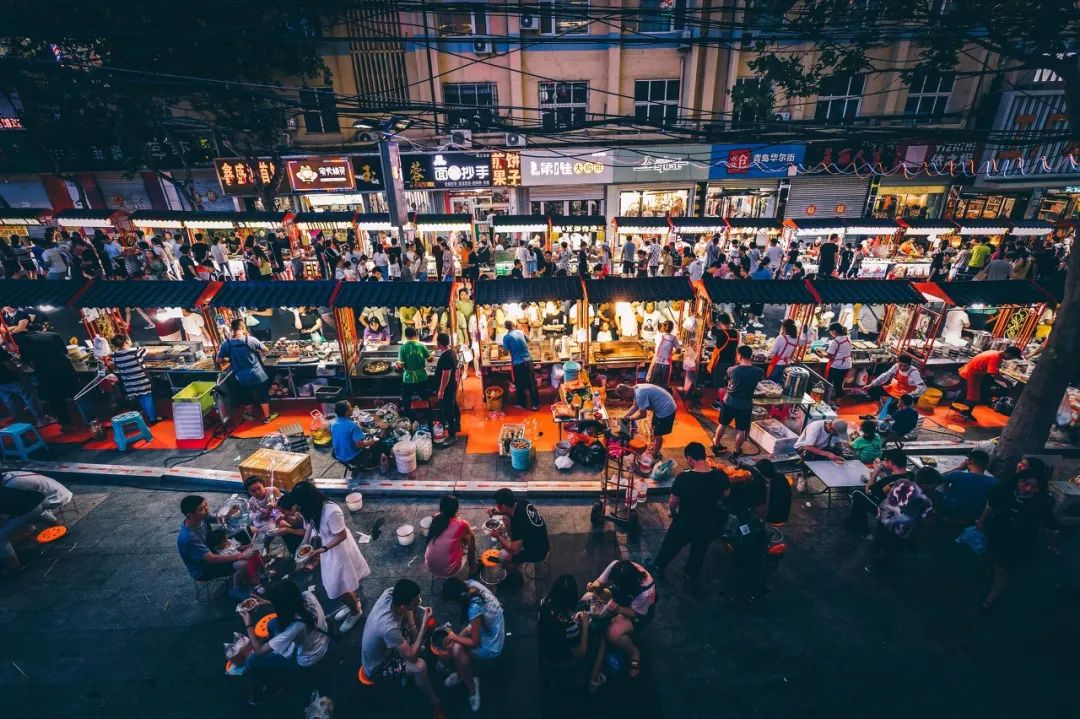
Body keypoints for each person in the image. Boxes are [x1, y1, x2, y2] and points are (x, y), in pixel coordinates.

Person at [280, 482, 369, 631]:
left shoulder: (331, 511)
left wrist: (322, 549)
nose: (296, 507)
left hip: (339, 550)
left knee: (336, 586)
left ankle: (355, 611)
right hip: (327, 549)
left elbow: (341, 535)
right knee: (343, 583)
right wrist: (303, 544)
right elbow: (310, 525)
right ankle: (354, 603)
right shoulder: (309, 508)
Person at [649, 442, 730, 595]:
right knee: (700, 549)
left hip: (686, 521)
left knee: (671, 544)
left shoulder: (684, 478)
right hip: (710, 523)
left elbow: (673, 501)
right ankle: (690, 573)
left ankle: (658, 566)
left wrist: (673, 513)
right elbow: (726, 494)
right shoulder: (720, 475)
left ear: (690, 459)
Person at [361, 579, 444, 718]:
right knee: (420, 666)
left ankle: (406, 667)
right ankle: (435, 702)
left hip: (388, 646)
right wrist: (423, 626)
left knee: (412, 628)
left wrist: (413, 630)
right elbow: (412, 656)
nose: (418, 604)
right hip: (379, 664)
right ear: (403, 606)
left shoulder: (390, 593)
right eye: (415, 603)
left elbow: (408, 612)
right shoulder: (389, 628)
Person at [236, 580, 329, 704]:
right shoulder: (307, 595)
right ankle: (274, 652)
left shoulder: (294, 627)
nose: (274, 607)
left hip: (307, 659)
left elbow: (258, 651)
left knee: (252, 661)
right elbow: (290, 601)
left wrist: (248, 624)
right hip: (320, 640)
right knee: (272, 623)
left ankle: (272, 687)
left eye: (275, 605)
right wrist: (267, 602)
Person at [978, 469, 1058, 609]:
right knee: (993, 555)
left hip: (1020, 541)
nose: (1029, 489)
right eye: (1025, 484)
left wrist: (1052, 545)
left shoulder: (1042, 503)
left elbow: (1049, 527)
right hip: (997, 533)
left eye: (1035, 487)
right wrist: (982, 522)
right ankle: (990, 570)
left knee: (1003, 570)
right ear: (1017, 482)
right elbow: (990, 506)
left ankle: (989, 600)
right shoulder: (1003, 492)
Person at [437, 577, 506, 711]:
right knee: (457, 647)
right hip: (489, 624)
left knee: (457, 650)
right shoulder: (470, 584)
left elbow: (475, 642)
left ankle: (473, 689)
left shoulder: (473, 608)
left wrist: (453, 636)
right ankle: (461, 672)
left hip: (493, 642)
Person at [176, 495, 261, 600]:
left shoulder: (201, 517)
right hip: (204, 567)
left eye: (206, 505)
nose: (206, 509)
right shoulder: (189, 537)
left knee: (248, 530)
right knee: (244, 563)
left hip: (215, 548)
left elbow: (217, 518)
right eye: (202, 509)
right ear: (190, 515)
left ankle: (251, 572)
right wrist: (241, 555)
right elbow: (211, 559)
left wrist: (229, 514)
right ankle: (236, 589)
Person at [586, 560, 656, 679]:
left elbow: (635, 613)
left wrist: (619, 609)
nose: (615, 585)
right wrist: (594, 586)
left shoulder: (645, 589)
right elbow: (600, 582)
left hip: (638, 612)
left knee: (613, 633)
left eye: (618, 585)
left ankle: (634, 652)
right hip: (619, 600)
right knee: (587, 598)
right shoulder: (616, 566)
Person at [537, 575, 606, 692]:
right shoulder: (569, 625)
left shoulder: (544, 602)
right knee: (601, 638)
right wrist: (584, 625)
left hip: (545, 646)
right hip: (559, 658)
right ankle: (591, 679)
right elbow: (580, 653)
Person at [19, 322, 81, 432]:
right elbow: (65, 351)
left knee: (55, 398)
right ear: (42, 328)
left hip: (46, 371)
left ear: (27, 331)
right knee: (76, 392)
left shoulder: (24, 340)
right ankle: (86, 416)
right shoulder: (54, 335)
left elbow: (25, 360)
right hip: (65, 367)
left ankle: (66, 424)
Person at [216, 318, 277, 424]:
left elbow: (218, 360)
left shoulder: (227, 344)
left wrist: (229, 358)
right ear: (243, 328)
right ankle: (267, 417)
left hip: (240, 376)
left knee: (246, 396)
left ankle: (250, 415)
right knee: (263, 394)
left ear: (232, 329)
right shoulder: (251, 340)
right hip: (257, 373)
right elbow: (265, 349)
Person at [712, 345, 763, 458]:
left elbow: (727, 382)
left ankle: (716, 445)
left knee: (723, 424)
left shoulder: (732, 369)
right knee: (741, 430)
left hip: (729, 402)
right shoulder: (758, 371)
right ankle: (736, 451)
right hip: (745, 405)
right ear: (751, 356)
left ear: (739, 355)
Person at [846, 448, 909, 531]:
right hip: (906, 511)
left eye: (884, 460)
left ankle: (859, 528)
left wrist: (876, 472)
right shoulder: (913, 475)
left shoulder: (887, 481)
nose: (882, 461)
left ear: (890, 463)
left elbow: (868, 491)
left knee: (857, 493)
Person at [489, 487, 550, 571]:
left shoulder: (518, 522)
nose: (496, 506)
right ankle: (516, 556)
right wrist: (497, 512)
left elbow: (514, 550)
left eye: (497, 505)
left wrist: (498, 536)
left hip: (538, 552)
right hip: (541, 540)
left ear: (503, 506)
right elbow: (508, 512)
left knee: (503, 555)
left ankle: (513, 572)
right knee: (506, 518)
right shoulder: (521, 503)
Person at [615, 382, 677, 458]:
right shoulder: (636, 388)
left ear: (626, 392)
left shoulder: (640, 394)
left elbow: (643, 415)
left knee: (658, 434)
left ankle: (655, 454)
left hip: (666, 409)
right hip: (661, 405)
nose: (625, 399)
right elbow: (635, 406)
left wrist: (630, 418)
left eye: (623, 397)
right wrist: (625, 416)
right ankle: (655, 446)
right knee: (654, 427)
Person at [110, 334, 161, 423]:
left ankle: (148, 416)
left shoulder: (114, 355)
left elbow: (114, 366)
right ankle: (153, 418)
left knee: (141, 397)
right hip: (141, 380)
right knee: (147, 397)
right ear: (127, 341)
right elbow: (152, 352)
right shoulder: (136, 351)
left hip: (129, 382)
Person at [425, 494, 477, 580]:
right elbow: (466, 535)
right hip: (449, 570)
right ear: (456, 509)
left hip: (431, 566)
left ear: (441, 508)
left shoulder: (437, 517)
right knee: (471, 537)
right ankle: (473, 569)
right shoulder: (462, 524)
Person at [957, 345, 1021, 416]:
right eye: (1012, 357)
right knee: (972, 398)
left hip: (970, 373)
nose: (1011, 359)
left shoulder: (995, 352)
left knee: (966, 394)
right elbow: (994, 374)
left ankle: (960, 411)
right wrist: (1007, 382)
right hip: (970, 375)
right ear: (1008, 354)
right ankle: (964, 414)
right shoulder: (995, 357)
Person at [936, 449, 997, 524]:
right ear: (986, 465)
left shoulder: (957, 475)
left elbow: (937, 479)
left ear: (968, 461)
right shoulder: (994, 482)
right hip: (974, 519)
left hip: (950, 514)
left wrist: (959, 468)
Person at [0, 345, 46, 426]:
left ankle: (22, 423)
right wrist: (19, 369)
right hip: (11, 377)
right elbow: (8, 363)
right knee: (29, 396)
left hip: (1, 383)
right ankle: (41, 420)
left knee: (10, 401)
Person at [329, 400, 376, 473]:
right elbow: (359, 445)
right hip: (352, 457)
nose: (352, 409)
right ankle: (366, 465)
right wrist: (371, 442)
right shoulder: (352, 426)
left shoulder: (333, 423)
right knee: (374, 445)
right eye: (350, 408)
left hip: (338, 455)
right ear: (346, 412)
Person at [502, 320, 539, 410]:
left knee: (519, 384)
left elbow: (505, 353)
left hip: (518, 363)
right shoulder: (520, 332)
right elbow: (529, 340)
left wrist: (504, 350)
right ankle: (535, 405)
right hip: (528, 360)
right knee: (532, 383)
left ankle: (522, 404)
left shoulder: (506, 337)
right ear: (513, 325)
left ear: (506, 328)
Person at [397, 325, 431, 418]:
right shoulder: (421, 346)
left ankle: (409, 418)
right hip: (421, 377)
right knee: (425, 398)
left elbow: (401, 365)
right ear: (415, 335)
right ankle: (428, 416)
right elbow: (430, 359)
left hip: (408, 379)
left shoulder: (403, 348)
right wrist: (432, 354)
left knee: (406, 400)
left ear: (405, 335)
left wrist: (398, 364)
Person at [434, 332, 460, 442]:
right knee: (454, 405)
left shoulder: (446, 356)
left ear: (439, 344)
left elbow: (446, 374)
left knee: (448, 410)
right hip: (452, 385)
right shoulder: (452, 351)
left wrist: (441, 391)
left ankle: (452, 434)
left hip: (448, 387)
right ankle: (457, 425)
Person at [707, 313, 740, 399]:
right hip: (732, 363)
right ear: (729, 322)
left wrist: (708, 312)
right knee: (727, 384)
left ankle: (722, 404)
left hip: (721, 363)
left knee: (721, 384)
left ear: (719, 323)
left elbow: (709, 323)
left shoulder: (720, 333)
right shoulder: (737, 334)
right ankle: (725, 400)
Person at [646, 320, 680, 387]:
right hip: (666, 363)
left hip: (657, 362)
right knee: (663, 383)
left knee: (653, 382)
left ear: (663, 327)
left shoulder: (660, 336)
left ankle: (651, 394)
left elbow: (657, 348)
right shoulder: (673, 338)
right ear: (672, 329)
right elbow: (679, 351)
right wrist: (672, 353)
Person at [765, 318, 799, 383]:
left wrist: (765, 354)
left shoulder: (781, 338)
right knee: (781, 383)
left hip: (777, 365)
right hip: (787, 365)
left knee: (772, 383)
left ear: (784, 328)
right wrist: (806, 331)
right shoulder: (797, 339)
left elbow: (771, 353)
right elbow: (806, 340)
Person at [825, 322, 852, 398]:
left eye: (830, 331)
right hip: (846, 365)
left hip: (837, 366)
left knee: (829, 383)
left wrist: (822, 353)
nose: (830, 333)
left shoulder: (835, 341)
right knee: (838, 384)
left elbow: (829, 356)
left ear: (834, 331)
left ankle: (826, 400)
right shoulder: (847, 338)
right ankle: (837, 402)